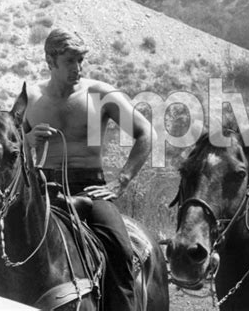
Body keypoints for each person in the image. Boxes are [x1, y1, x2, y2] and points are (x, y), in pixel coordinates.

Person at [24, 28, 155, 311]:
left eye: (81, 60)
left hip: (91, 190)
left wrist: (121, 181)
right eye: (70, 61)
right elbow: (10, 147)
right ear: (50, 61)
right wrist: (26, 140)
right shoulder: (30, 96)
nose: (78, 68)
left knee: (119, 249)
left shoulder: (100, 94)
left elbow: (146, 133)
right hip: (42, 189)